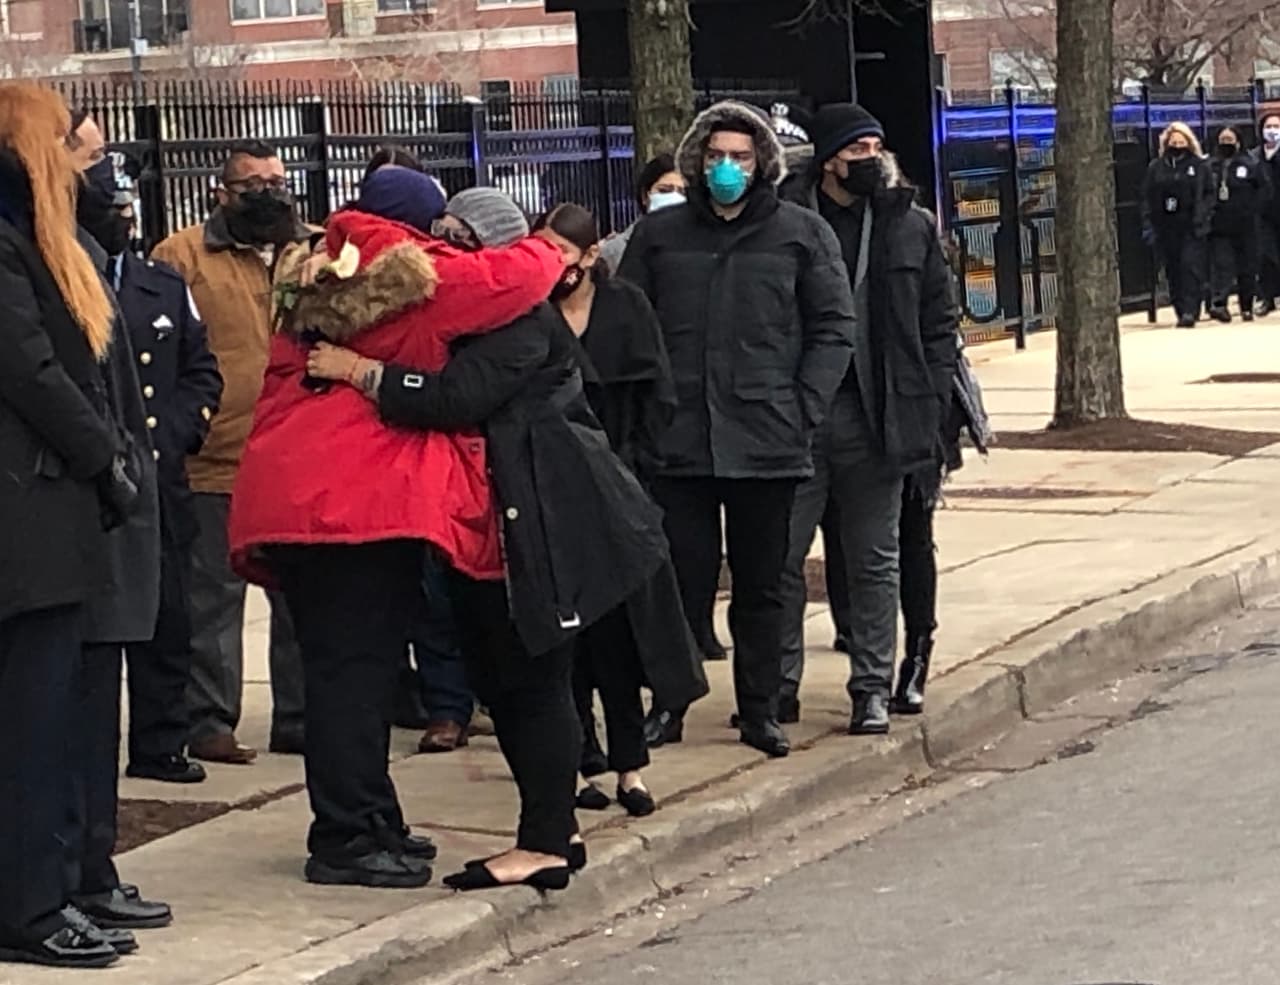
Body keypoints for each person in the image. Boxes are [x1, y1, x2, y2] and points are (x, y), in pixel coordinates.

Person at [304, 188, 680, 892]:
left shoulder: (519, 320)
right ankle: (554, 830)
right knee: (505, 679)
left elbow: (454, 397)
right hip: (495, 526)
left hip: (540, 524)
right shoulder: (482, 316)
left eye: (456, 237)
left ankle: (542, 840)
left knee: (530, 680)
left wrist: (359, 371)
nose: (441, 248)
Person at [229, 167, 565, 888]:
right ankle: (346, 835)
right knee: (352, 677)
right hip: (350, 506)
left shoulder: (328, 271)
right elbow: (515, 277)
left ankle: (372, 817)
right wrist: (551, 243)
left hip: (308, 497)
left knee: (351, 670)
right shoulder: (407, 280)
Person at [618, 100, 856, 758]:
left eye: (741, 157)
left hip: (767, 439)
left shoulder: (800, 234)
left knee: (763, 584)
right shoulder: (660, 238)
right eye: (717, 155)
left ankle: (760, 707)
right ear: (698, 159)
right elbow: (629, 327)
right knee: (680, 583)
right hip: (679, 441)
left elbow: (835, 326)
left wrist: (805, 403)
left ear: (762, 164)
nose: (727, 167)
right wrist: (646, 412)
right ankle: (671, 700)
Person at [0, 81, 136, 970]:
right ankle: (30, 904)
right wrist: (103, 461)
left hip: (41, 516)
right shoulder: (8, 244)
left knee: (42, 722)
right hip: (28, 519)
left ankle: (42, 890)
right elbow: (36, 371)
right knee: (29, 729)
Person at [775, 103, 958, 734]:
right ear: (829, 158)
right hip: (799, 418)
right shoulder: (785, 222)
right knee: (781, 559)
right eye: (858, 150)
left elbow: (938, 326)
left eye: (878, 146)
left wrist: (931, 405)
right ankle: (779, 686)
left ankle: (872, 688)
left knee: (875, 560)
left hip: (878, 419)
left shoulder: (910, 225)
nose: (871, 159)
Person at [534, 202, 707, 805]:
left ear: (589, 257)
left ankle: (631, 763)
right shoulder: (530, 314)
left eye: (563, 252)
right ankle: (583, 761)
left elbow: (657, 391)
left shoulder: (625, 307)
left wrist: (638, 469)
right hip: (554, 488)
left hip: (623, 483)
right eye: (543, 250)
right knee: (568, 639)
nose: (553, 264)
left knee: (624, 635)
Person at [70, 112, 224, 786]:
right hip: (105, 477)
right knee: (105, 625)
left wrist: (186, 428)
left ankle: (163, 738)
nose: (122, 218)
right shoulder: (70, 277)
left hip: (162, 473)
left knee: (170, 615)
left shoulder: (163, 285)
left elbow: (201, 370)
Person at [151, 138, 310, 764]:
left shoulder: (317, 249)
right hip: (216, 457)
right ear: (223, 193)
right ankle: (209, 720)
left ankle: (300, 716)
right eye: (253, 184)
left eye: (277, 180)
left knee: (299, 597)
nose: (269, 193)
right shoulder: (183, 255)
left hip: (297, 457)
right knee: (212, 597)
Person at [890, 336, 992, 715]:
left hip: (916, 401)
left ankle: (917, 654)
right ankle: (859, 650)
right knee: (855, 538)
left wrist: (929, 403)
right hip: (853, 399)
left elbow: (941, 331)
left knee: (913, 532)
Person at [1140, 122, 1214, 329]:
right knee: (1173, 269)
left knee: (1190, 266)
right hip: (1166, 226)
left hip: (1191, 225)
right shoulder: (1157, 167)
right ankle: (1180, 307)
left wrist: (1203, 215)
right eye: (1173, 142)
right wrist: (1149, 223)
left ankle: (1191, 309)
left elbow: (1209, 193)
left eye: (1181, 142)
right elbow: (1147, 195)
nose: (1177, 145)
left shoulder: (1199, 166)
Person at [1207, 126, 1270, 323]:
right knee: (1222, 265)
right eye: (1222, 139)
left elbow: (1264, 189)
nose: (1226, 143)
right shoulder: (1211, 165)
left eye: (1229, 139)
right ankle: (1219, 304)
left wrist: (1253, 209)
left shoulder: (1251, 164)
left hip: (1246, 224)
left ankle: (1246, 306)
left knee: (1247, 267)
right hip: (1220, 225)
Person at [599, 152, 687, 275]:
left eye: (683, 193)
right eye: (664, 190)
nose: (674, 197)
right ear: (645, 196)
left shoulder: (703, 247)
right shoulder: (614, 250)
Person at [1252, 113, 1280, 316]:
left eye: (1276, 126)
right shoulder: (1254, 157)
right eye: (1268, 126)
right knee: (1266, 257)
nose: (1272, 130)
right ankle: (1267, 298)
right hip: (1263, 215)